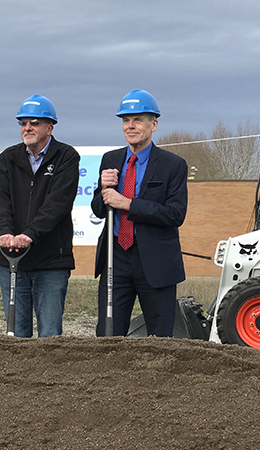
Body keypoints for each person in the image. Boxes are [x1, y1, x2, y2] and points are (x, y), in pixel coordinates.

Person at [91, 89, 188, 337]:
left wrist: (128, 204)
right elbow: (98, 209)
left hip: (155, 262)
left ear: (153, 124)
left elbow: (175, 214)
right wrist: (103, 188)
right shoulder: (110, 159)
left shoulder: (172, 165)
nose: (130, 126)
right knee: (108, 334)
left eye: (137, 120)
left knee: (159, 337)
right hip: (116, 258)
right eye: (125, 120)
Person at [0, 94, 80, 338]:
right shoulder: (8, 158)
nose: (27, 128)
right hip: (12, 260)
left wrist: (30, 234)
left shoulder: (66, 157)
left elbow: (57, 204)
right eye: (23, 123)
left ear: (49, 127)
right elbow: (0, 202)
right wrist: (4, 232)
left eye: (34, 122)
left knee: (50, 335)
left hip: (51, 262)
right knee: (16, 334)